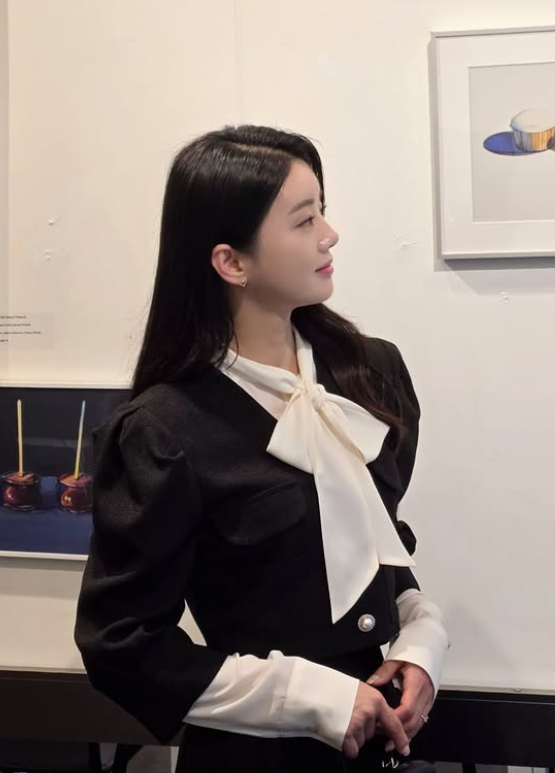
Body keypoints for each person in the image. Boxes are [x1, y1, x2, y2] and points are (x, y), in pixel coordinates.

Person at [74, 124, 449, 773]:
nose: (329, 235)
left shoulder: (371, 374)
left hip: (381, 744)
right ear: (232, 262)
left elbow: (370, 544)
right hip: (252, 757)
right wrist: (308, 697)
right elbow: (122, 644)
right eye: (305, 220)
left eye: (322, 210)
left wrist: (421, 636)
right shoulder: (164, 430)